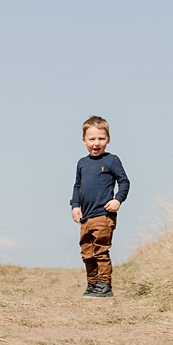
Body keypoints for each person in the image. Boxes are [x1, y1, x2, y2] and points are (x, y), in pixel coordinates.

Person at [70, 116, 130, 298]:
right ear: (83, 141)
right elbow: (77, 186)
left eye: (101, 138)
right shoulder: (82, 163)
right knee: (87, 252)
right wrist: (75, 206)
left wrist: (118, 200)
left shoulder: (112, 160)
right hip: (85, 217)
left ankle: (105, 285)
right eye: (92, 139)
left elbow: (124, 182)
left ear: (108, 139)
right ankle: (92, 284)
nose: (96, 143)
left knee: (101, 250)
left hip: (104, 215)